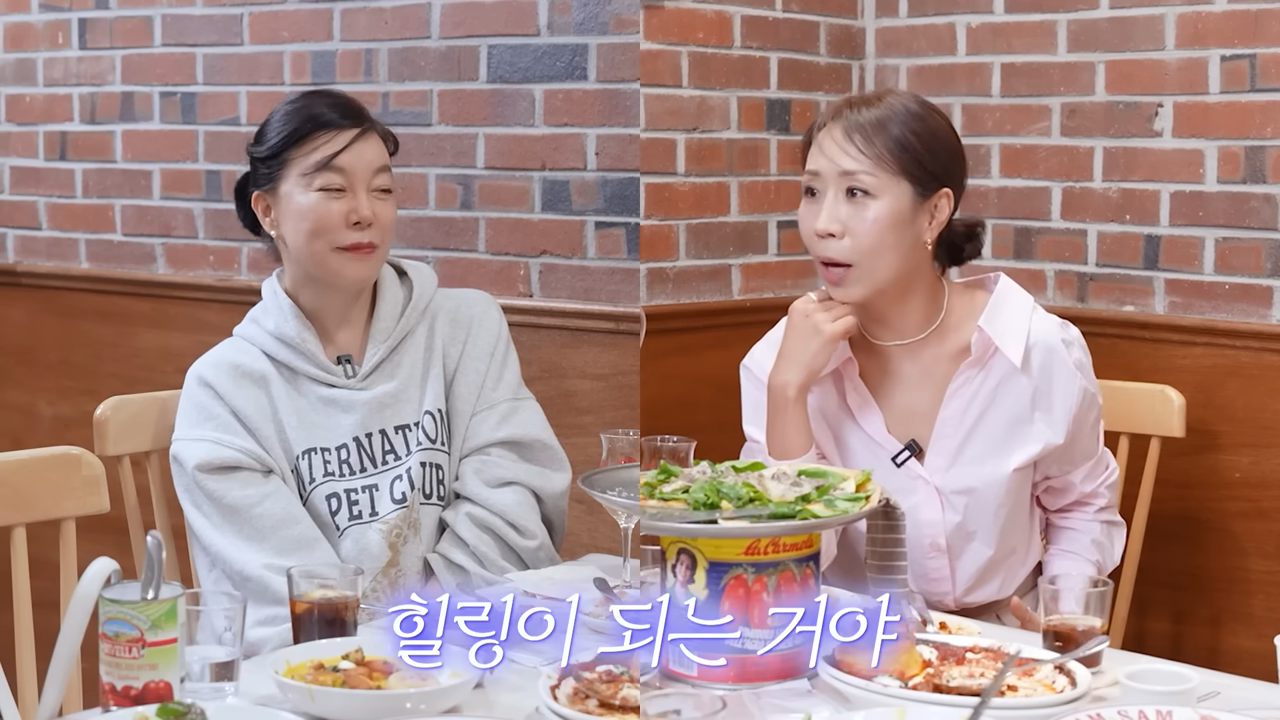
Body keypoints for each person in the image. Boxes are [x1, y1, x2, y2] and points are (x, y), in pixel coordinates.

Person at [169, 88, 574, 656]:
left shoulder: (465, 328)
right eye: (333, 189)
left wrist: (427, 633)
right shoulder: (224, 389)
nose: (365, 212)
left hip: (470, 649)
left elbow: (515, 503)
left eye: (382, 189)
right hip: (319, 679)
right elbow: (284, 602)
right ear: (268, 211)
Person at [737, 89, 1127, 628]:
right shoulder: (781, 361)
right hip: (854, 644)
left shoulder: (1034, 347)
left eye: (856, 191)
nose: (823, 223)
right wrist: (787, 394)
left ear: (934, 213)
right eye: (811, 191)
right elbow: (787, 567)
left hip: (1007, 645)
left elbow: (1081, 506)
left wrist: (1066, 614)